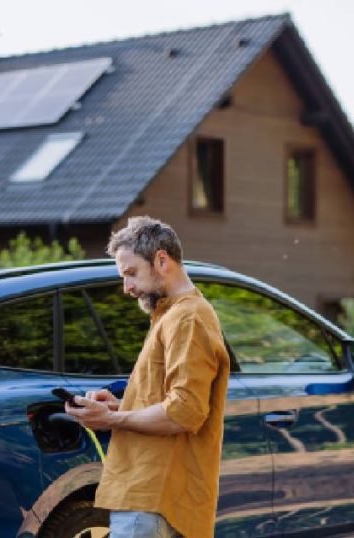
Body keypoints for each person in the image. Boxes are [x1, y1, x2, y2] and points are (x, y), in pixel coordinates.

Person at [65, 216, 230, 538]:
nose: (127, 288)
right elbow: (166, 399)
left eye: (131, 273)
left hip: (154, 494)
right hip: (147, 491)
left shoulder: (188, 318)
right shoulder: (171, 315)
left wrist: (113, 420)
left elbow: (185, 412)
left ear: (162, 259)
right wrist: (117, 406)